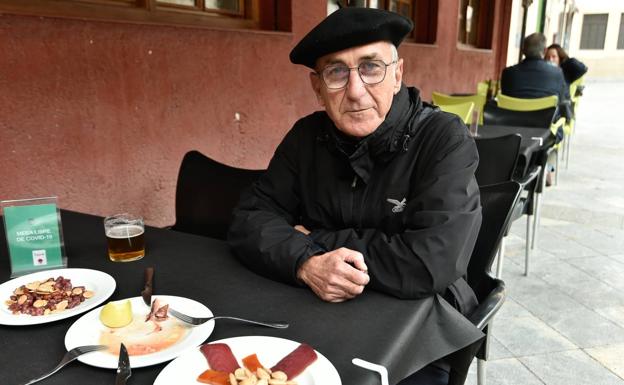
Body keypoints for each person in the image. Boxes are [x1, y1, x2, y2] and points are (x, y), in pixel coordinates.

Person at [228, 7, 482, 384]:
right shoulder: (305, 137)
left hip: (418, 328)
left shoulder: (443, 138)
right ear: (318, 88)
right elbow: (249, 218)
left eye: (371, 67)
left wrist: (310, 241)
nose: (355, 90)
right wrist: (304, 263)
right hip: (315, 315)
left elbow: (430, 263)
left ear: (397, 74)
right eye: (336, 72)